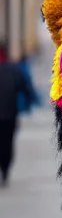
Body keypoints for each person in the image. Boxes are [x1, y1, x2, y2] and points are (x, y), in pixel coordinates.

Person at [0, 57, 36, 186]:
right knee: (7, 142)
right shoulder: (13, 70)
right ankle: (5, 169)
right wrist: (28, 101)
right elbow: (25, 87)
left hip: (9, 113)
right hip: (9, 113)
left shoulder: (13, 70)